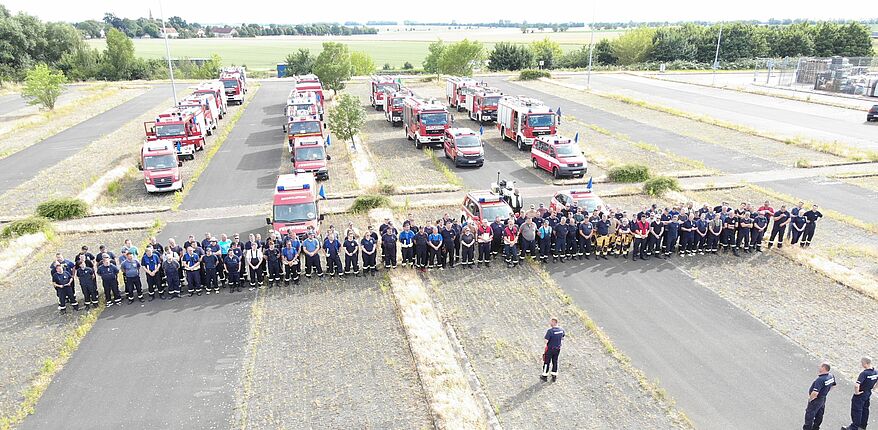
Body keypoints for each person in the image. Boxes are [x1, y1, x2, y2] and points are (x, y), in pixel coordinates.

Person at [845, 356, 878, 430]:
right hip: (868, 392)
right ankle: (863, 426)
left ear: (865, 363)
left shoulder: (864, 373)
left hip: (861, 393)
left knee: (857, 410)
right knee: (865, 409)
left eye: (862, 363)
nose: (861, 364)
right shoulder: (876, 372)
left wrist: (857, 392)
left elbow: (857, 385)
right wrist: (874, 388)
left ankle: (854, 426)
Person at [803, 362, 836, 430]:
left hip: (816, 399)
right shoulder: (831, 376)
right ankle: (816, 427)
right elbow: (833, 385)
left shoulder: (820, 379)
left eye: (820, 366)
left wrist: (810, 399)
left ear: (824, 368)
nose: (819, 367)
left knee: (810, 415)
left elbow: (815, 392)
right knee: (819, 414)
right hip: (823, 398)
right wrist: (825, 391)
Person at [541, 317, 565, 382]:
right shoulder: (561, 330)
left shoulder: (550, 331)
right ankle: (554, 375)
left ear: (554, 322)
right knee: (555, 361)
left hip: (550, 349)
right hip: (557, 349)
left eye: (551, 322)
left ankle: (544, 375)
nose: (550, 323)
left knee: (546, 362)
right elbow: (562, 338)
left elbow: (546, 341)